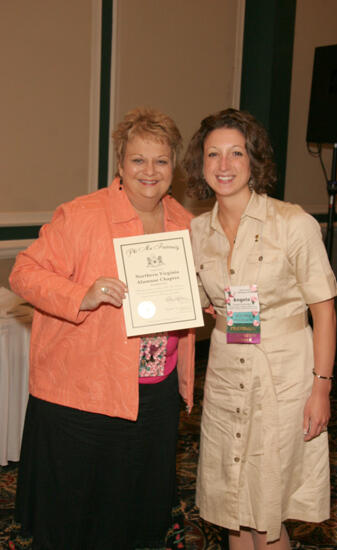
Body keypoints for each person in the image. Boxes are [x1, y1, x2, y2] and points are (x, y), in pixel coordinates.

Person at [10, 107, 194, 550]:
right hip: (84, 396)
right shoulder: (82, 215)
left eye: (161, 161)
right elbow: (23, 272)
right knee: (78, 518)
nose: (149, 171)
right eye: (138, 160)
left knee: (140, 513)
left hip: (156, 392)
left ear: (174, 167)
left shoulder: (185, 223)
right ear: (120, 164)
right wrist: (82, 295)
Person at [183, 108, 337, 550]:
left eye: (236, 153)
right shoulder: (197, 232)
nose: (224, 165)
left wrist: (321, 388)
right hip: (228, 372)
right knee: (234, 510)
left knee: (266, 512)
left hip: (283, 377)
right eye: (213, 155)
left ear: (254, 161)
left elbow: (324, 311)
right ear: (201, 164)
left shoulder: (293, 224)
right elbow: (200, 304)